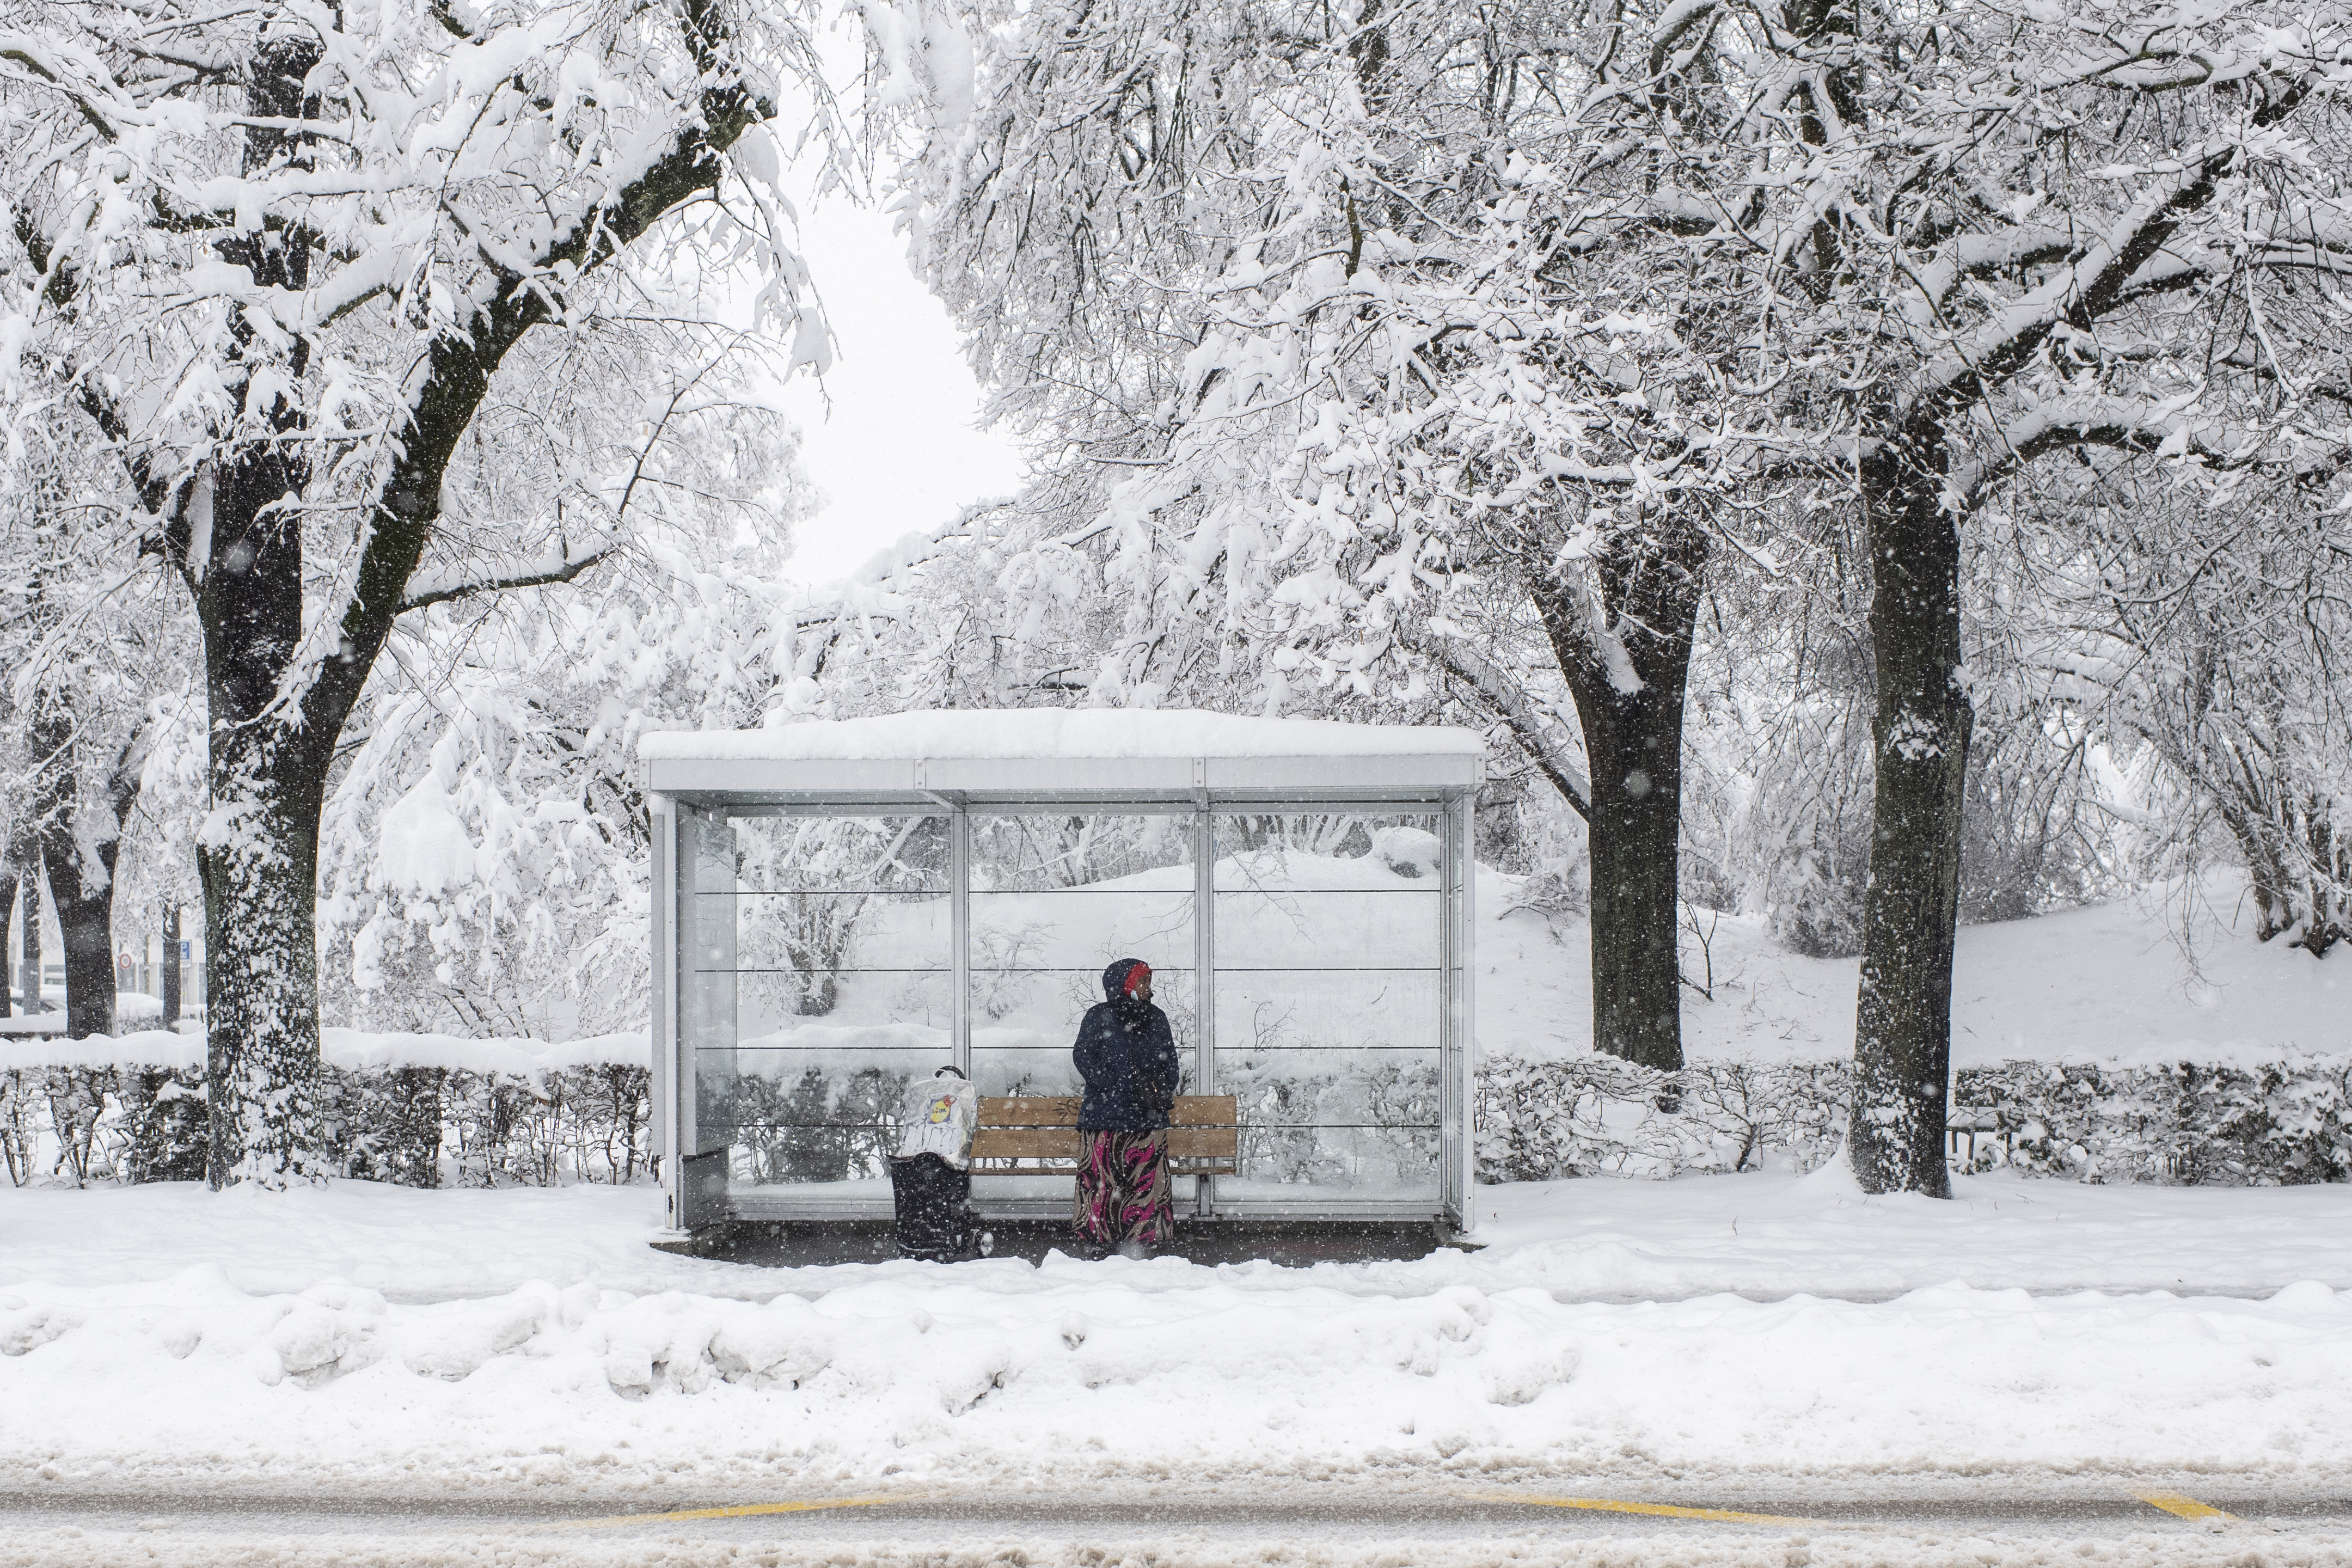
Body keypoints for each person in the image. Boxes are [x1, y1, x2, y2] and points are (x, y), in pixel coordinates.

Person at [1071, 957, 1180, 1260]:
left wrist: (1158, 1087)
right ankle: (1098, 1240)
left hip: (1147, 1117)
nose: (1148, 988)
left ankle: (1141, 1242)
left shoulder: (1156, 1018)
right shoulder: (1099, 1017)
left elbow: (1170, 1064)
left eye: (1148, 982)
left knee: (1146, 1184)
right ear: (1126, 985)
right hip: (1104, 1117)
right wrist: (1109, 1084)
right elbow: (1083, 1056)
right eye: (1142, 982)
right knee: (1100, 1184)